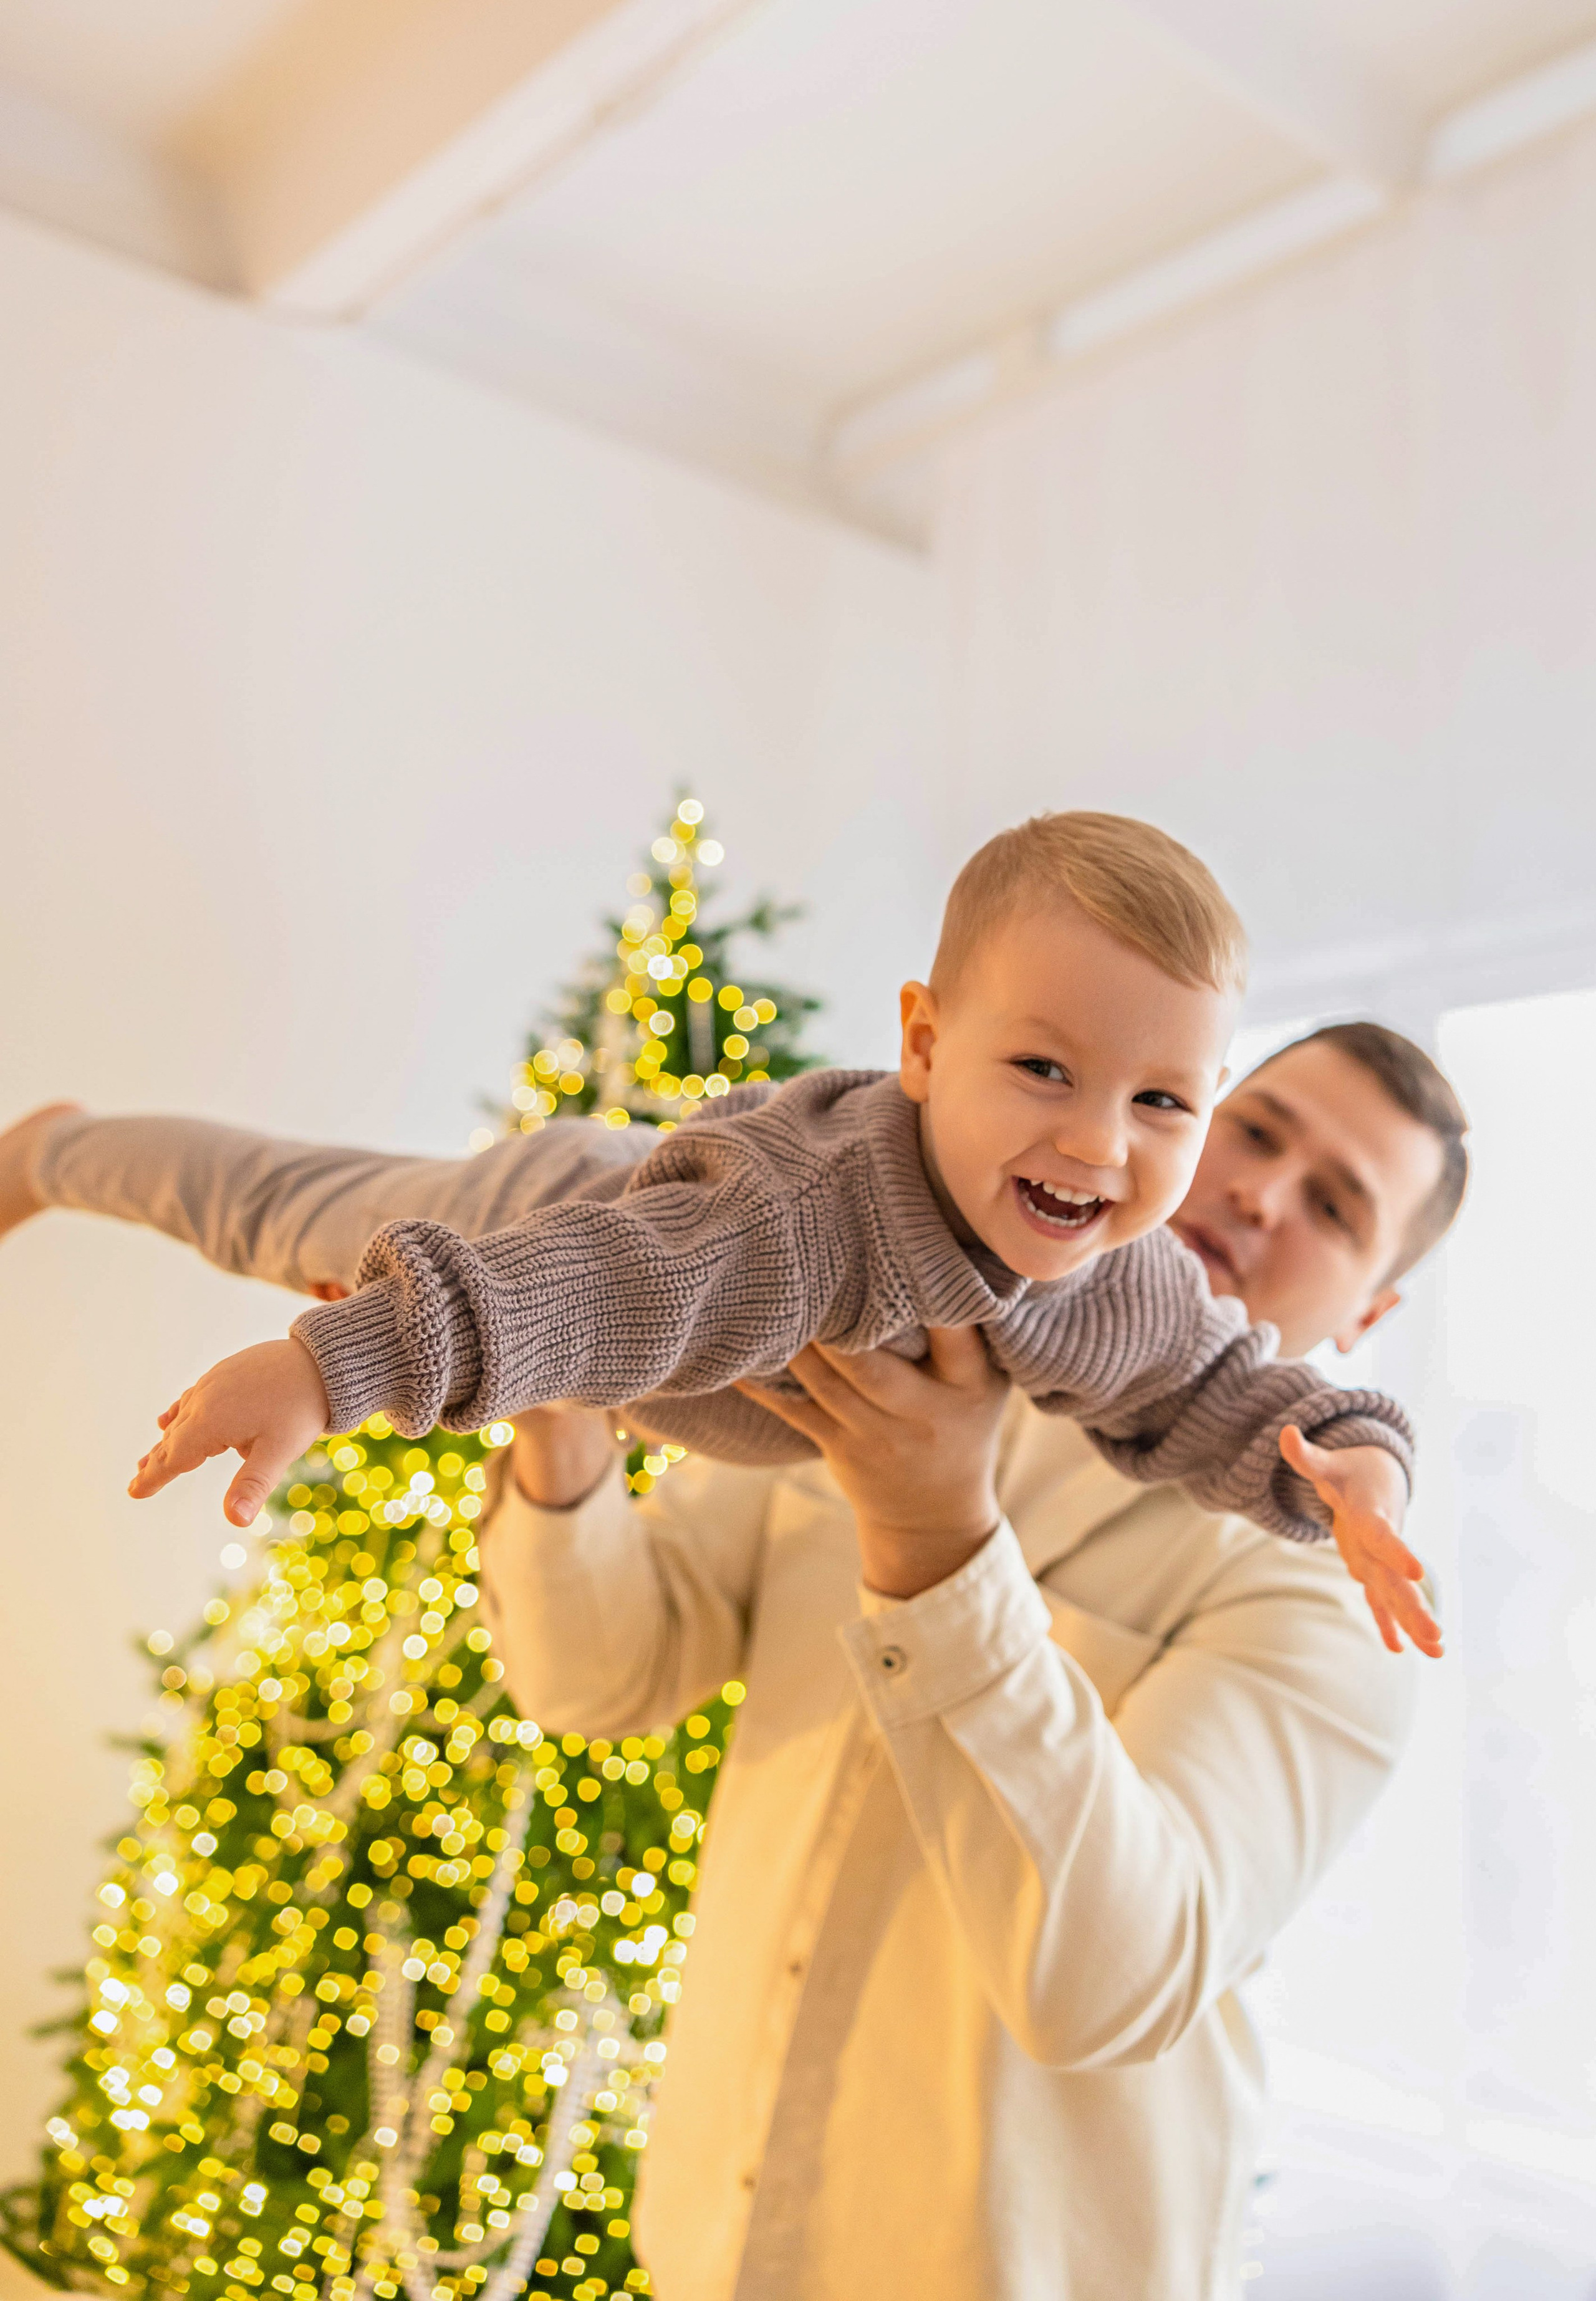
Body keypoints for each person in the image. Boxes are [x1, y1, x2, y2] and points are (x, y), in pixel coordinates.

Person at [472, 1018, 1468, 2300]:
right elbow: (605, 1676)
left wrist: (934, 1538)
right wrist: (558, 1403)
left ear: (1370, 1309)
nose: (1261, 1195)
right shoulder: (886, 1328)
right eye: (1255, 1132)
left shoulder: (1334, 1583)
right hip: (713, 2242)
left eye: (1334, 1207)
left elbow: (1111, 1983)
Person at [7, 814, 1433, 1651]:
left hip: (647, 1339)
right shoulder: (805, 1220)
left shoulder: (1114, 1276)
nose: (1098, 1146)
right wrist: (330, 1367)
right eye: (1042, 1070)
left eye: (1162, 1100)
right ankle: (54, 1150)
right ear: (922, 1046)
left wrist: (1353, 1471)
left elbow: (1225, 1394)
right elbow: (599, 1290)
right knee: (274, 1207)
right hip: (555, 1232)